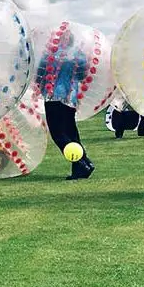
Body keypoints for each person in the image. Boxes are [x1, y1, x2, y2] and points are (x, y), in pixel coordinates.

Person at [37, 34, 95, 180]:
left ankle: (80, 163)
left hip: (53, 96)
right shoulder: (78, 55)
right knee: (71, 131)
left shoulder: (49, 54)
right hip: (71, 97)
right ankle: (84, 163)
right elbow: (82, 75)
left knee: (58, 133)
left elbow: (39, 74)